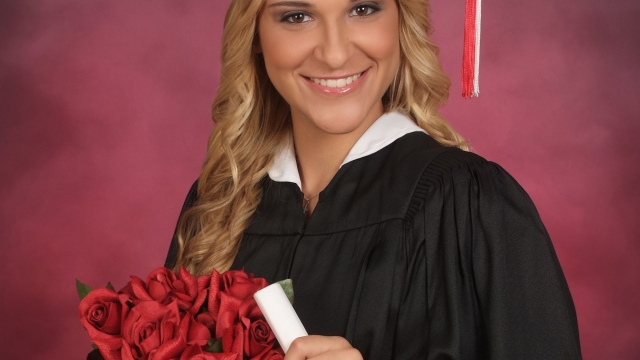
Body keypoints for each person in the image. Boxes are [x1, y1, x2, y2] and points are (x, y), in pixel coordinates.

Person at [165, 0, 583, 358]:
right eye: (296, 16)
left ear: (401, 22)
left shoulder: (472, 207)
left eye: (363, 9)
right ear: (255, 35)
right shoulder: (217, 205)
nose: (332, 54)